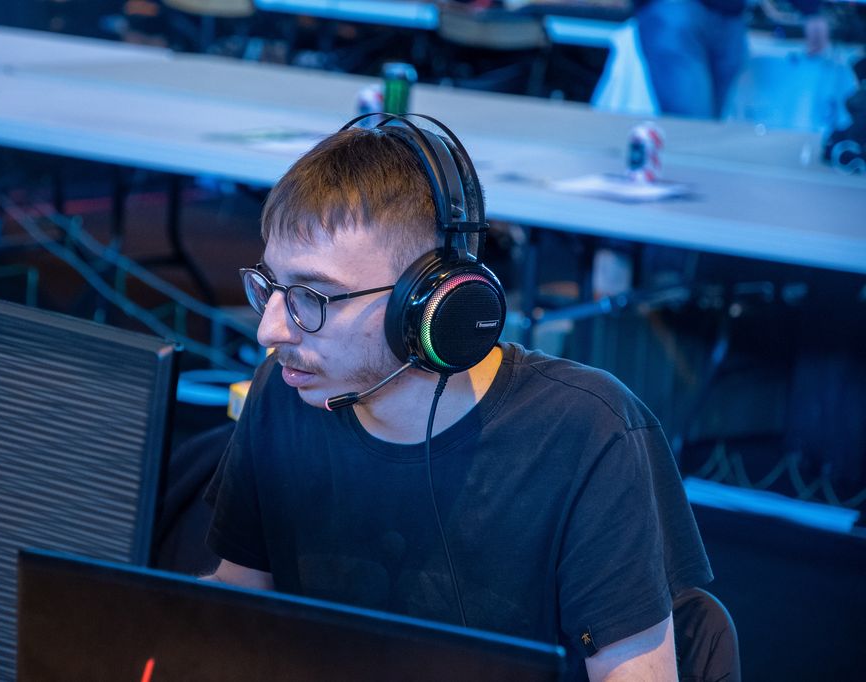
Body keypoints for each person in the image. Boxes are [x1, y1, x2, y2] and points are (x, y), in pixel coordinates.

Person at [204, 114, 713, 681]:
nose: (270, 331)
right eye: (271, 287)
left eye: (312, 296)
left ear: (432, 302)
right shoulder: (285, 389)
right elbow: (234, 613)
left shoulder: (588, 433)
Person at [636, 0, 831, 119]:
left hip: (730, 16)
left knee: (707, 130)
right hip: (676, 10)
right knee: (693, 125)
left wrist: (809, 8)